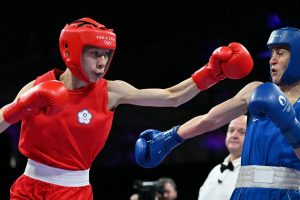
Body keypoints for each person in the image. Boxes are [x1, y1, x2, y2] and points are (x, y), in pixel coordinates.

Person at [0, 17, 253, 200]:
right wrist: (19, 108)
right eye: (94, 54)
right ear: (71, 52)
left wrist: (211, 74)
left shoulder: (110, 91)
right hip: (29, 187)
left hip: (73, 192)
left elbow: (171, 96)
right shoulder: (38, 87)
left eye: (106, 55)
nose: (101, 63)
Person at [135, 26, 300, 199]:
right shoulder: (255, 90)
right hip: (244, 193)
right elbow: (211, 119)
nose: (271, 60)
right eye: (272, 53)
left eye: (280, 53)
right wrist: (168, 139)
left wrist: (288, 123)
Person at [198, 115, 247, 200]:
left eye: (242, 132)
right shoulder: (215, 170)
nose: (234, 135)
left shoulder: (251, 172)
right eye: (231, 130)